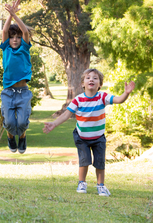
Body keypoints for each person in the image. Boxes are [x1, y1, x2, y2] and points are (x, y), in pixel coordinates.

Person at [44, 69, 135, 197]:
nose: (91, 79)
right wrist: (54, 124)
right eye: (88, 78)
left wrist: (126, 93)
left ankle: (101, 186)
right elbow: (66, 115)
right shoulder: (78, 100)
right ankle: (82, 183)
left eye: (95, 78)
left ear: (100, 84)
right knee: (84, 160)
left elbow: (119, 100)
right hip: (82, 137)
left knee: (100, 162)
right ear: (83, 83)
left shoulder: (103, 97)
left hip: (99, 137)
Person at [0, 0, 33, 154]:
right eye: (13, 37)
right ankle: (11, 137)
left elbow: (25, 31)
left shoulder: (25, 48)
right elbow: (4, 31)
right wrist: (10, 16)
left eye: (17, 37)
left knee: (21, 121)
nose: (15, 39)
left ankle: (23, 136)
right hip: (8, 91)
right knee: (9, 121)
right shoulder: (6, 48)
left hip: (23, 92)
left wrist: (15, 15)